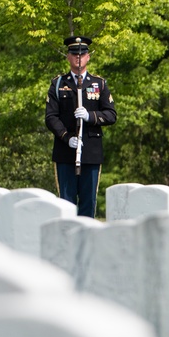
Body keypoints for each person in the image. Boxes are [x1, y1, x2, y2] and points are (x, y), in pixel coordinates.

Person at [45, 35, 116, 217]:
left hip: (91, 151)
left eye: (82, 53)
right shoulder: (58, 84)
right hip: (65, 151)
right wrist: (67, 138)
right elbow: (51, 117)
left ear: (88, 57)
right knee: (66, 202)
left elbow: (110, 115)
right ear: (68, 57)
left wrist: (90, 116)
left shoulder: (98, 84)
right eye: (74, 53)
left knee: (88, 201)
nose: (78, 57)